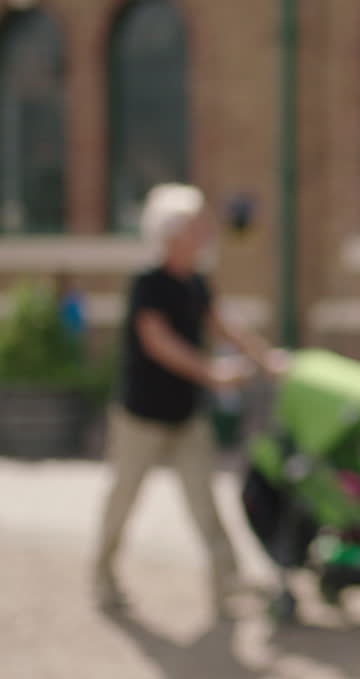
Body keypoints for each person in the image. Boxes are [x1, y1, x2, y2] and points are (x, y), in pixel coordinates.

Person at [92, 183, 290, 617]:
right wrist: (211, 373)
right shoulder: (148, 283)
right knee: (123, 499)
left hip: (185, 415)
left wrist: (264, 356)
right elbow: (157, 340)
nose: (205, 233)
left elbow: (223, 323)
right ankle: (103, 578)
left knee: (206, 502)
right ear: (172, 234)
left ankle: (227, 586)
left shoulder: (197, 282)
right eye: (195, 226)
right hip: (141, 415)